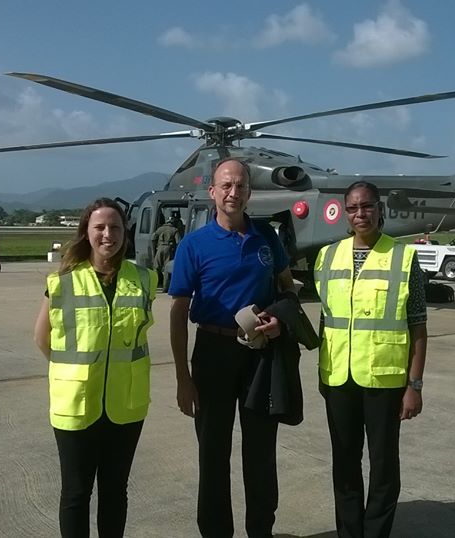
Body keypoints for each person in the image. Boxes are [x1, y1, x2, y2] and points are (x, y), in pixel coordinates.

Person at [168, 158, 295, 538]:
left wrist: (279, 320)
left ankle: (261, 530)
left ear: (249, 192)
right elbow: (178, 313)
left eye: (240, 186)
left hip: (259, 354)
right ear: (212, 192)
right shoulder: (194, 245)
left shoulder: (267, 238)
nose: (233, 192)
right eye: (225, 185)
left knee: (260, 454)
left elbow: (287, 288)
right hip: (212, 353)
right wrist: (182, 377)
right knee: (213, 454)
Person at [33, 197, 157, 537]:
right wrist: (72, 373)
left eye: (115, 227)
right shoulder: (62, 281)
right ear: (86, 233)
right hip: (76, 404)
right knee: (76, 492)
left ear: (125, 233)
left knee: (115, 491)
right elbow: (42, 338)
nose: (108, 234)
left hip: (126, 405)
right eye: (99, 227)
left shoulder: (144, 280)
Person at [313, 181, 428, 538]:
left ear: (380, 210)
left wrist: (415, 385)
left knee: (382, 466)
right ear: (344, 213)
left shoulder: (403, 257)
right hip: (338, 379)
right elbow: (327, 318)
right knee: (344, 465)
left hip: (384, 380)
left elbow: (419, 328)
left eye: (366, 207)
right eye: (352, 208)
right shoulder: (327, 256)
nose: (360, 214)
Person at [151, 215, 181, 293]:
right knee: (166, 269)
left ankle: (154, 286)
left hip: (159, 248)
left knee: (156, 267)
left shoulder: (160, 229)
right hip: (169, 249)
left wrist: (154, 248)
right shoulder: (175, 230)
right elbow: (178, 242)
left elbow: (153, 238)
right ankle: (165, 288)